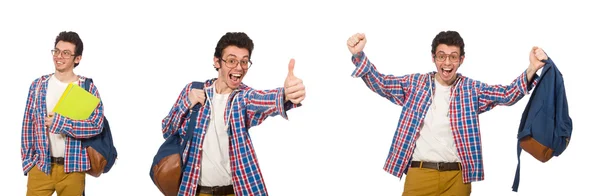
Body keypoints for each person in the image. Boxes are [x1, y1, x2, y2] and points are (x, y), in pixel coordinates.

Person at [346, 31, 547, 196]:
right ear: (434, 58)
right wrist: (358, 56)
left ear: (461, 60)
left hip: (457, 179)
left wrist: (532, 67)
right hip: (420, 174)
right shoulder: (415, 84)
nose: (447, 63)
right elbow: (381, 83)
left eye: (453, 57)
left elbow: (506, 94)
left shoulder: (471, 89)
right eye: (441, 56)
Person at [161, 32, 305, 196]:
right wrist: (186, 103)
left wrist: (287, 94)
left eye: (244, 62)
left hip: (235, 191)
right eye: (231, 60)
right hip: (196, 191)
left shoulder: (243, 98)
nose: (239, 67)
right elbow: (167, 130)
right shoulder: (193, 91)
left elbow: (264, 100)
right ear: (217, 62)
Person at [21, 31, 105, 196]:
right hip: (41, 167)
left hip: (73, 169)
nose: (59, 56)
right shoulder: (38, 85)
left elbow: (96, 125)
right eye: (57, 51)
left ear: (77, 58)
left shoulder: (86, 88)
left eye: (66, 53)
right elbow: (27, 125)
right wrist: (29, 162)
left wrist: (61, 124)